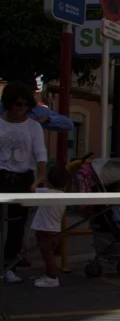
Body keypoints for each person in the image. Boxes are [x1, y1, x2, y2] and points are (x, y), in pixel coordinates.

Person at [0, 81, 48, 283]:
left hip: (23, 178)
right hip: (1, 174)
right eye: (19, 104)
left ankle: (10, 266)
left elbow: (41, 156)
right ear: (9, 103)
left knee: (17, 226)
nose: (23, 109)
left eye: (26, 105)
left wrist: (37, 180)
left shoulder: (33, 126)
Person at [29, 166, 70, 288]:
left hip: (44, 229)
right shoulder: (63, 195)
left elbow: (32, 189)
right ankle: (48, 274)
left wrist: (37, 181)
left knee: (47, 255)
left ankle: (52, 277)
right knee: (49, 254)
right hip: (55, 229)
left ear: (49, 180)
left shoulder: (45, 192)